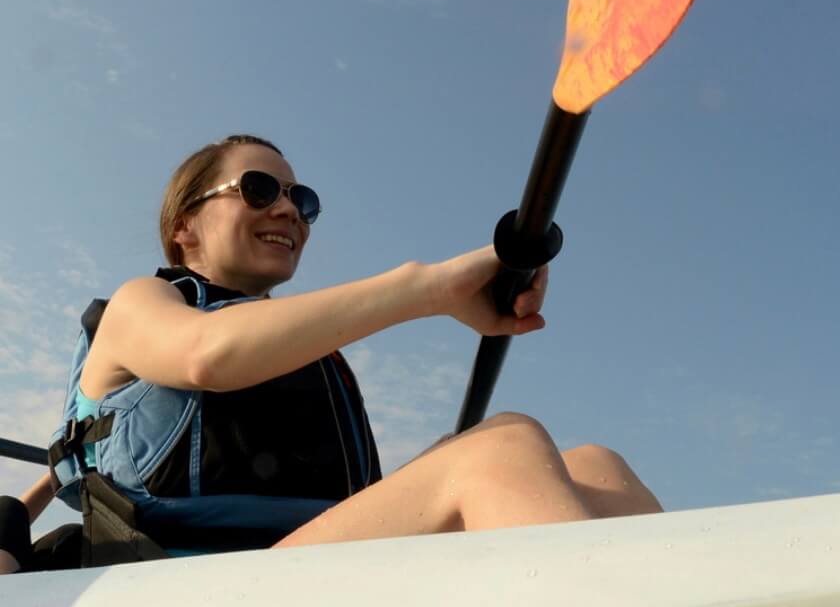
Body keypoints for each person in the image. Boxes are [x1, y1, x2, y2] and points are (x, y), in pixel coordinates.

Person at [32, 132, 660, 569]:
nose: (289, 210)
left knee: (592, 464)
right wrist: (429, 287)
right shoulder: (139, 305)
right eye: (257, 189)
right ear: (184, 226)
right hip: (181, 592)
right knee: (502, 447)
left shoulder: (303, 349)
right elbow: (205, 356)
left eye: (301, 202)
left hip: (315, 577)